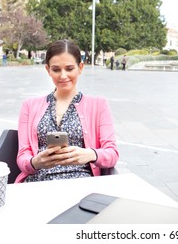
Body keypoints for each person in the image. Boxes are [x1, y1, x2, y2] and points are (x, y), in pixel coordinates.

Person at [15, 39, 119, 183]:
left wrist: (90, 154)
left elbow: (112, 153)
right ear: (48, 70)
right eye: (56, 69)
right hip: (38, 183)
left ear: (80, 68)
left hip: (81, 183)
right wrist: (35, 162)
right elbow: (22, 156)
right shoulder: (29, 106)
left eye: (69, 68)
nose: (63, 76)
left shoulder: (99, 105)